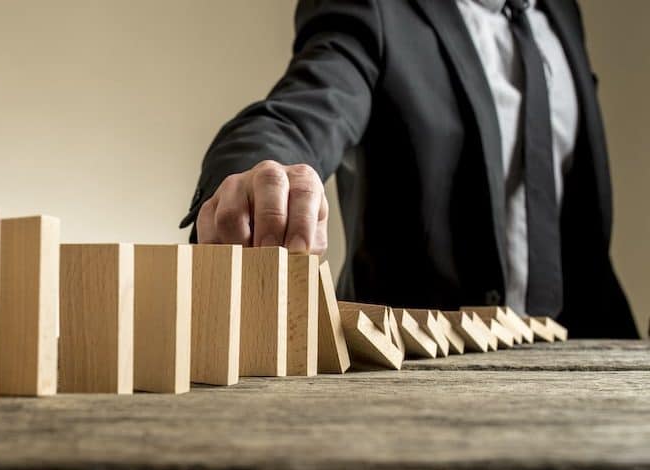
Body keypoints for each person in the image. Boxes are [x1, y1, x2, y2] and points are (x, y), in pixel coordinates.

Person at [181, 0, 638, 338]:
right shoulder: (378, 9)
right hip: (416, 371)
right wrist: (257, 176)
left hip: (592, 365)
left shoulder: (561, 14)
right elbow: (302, 110)